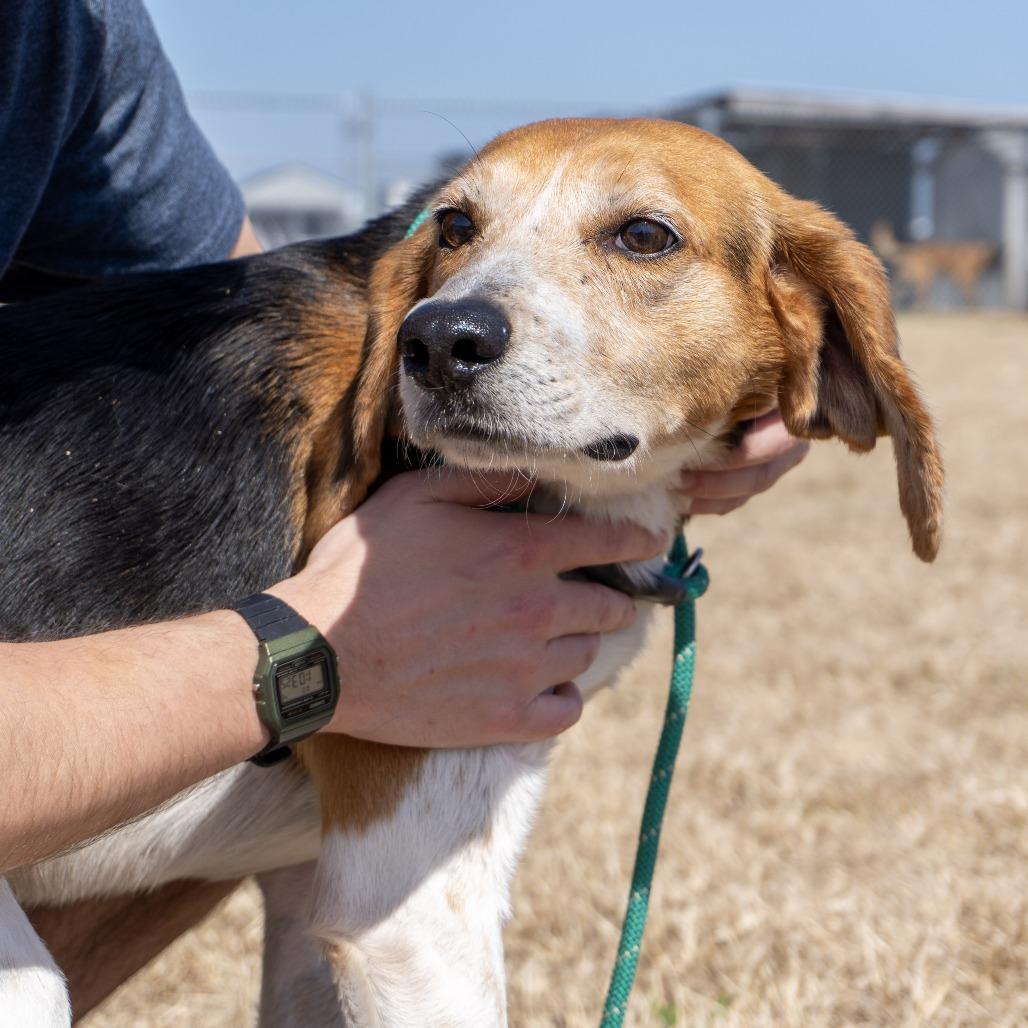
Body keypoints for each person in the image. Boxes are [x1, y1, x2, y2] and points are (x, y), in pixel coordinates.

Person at [0, 0, 809, 1015]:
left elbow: (232, 304)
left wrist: (783, 378)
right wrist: (312, 654)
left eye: (638, 237)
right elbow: (411, 941)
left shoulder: (68, 33)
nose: (454, 323)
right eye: (462, 233)